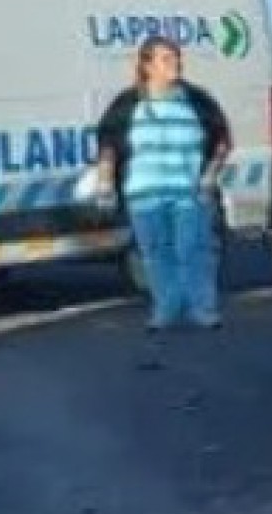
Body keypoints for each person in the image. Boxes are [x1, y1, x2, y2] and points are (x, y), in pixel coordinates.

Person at [93, 36, 233, 332]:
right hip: (143, 195)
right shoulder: (128, 103)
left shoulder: (197, 100)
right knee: (157, 254)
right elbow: (108, 144)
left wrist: (210, 175)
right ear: (147, 65)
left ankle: (203, 309)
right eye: (166, 59)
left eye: (176, 58)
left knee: (193, 250)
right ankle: (166, 309)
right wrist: (105, 181)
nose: (175, 64)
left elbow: (222, 140)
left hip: (189, 192)